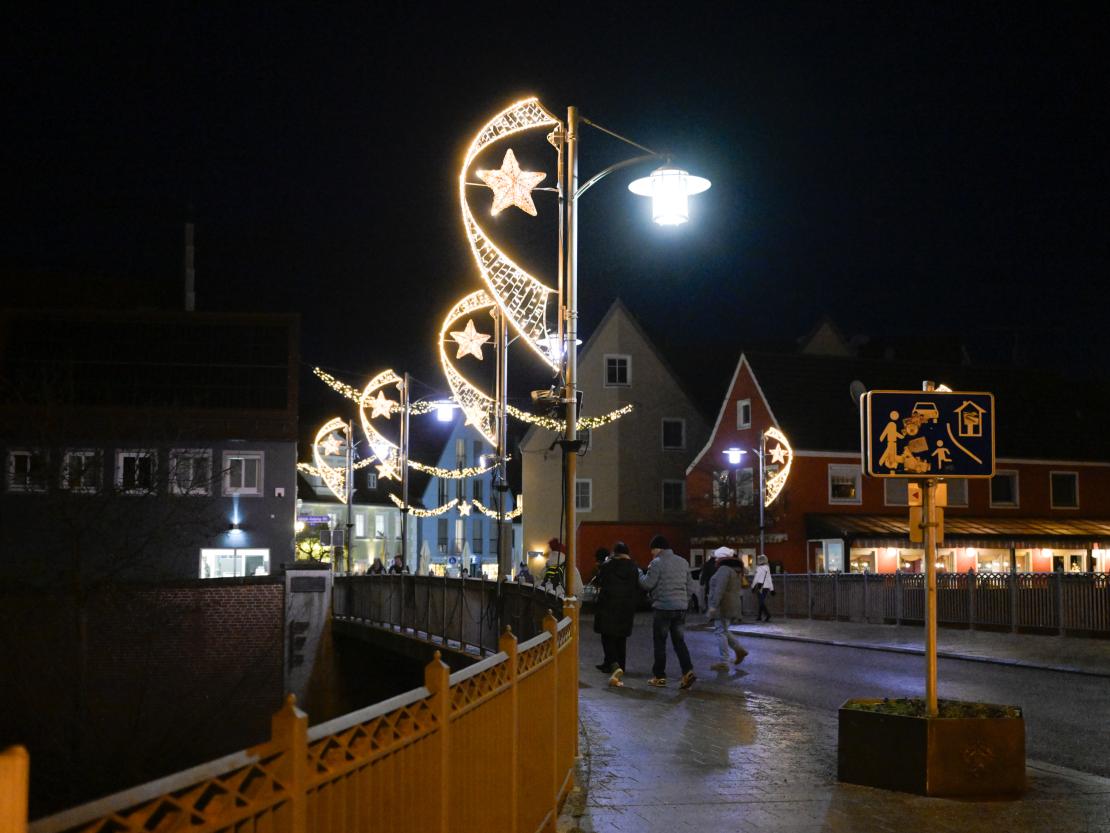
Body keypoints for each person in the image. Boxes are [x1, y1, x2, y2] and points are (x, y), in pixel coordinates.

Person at [639, 534, 697, 689]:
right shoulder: (683, 562)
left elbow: (648, 584)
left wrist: (639, 574)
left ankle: (659, 676)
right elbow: (690, 586)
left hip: (663, 608)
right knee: (679, 642)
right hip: (680, 609)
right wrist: (684, 600)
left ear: (658, 548)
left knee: (660, 643)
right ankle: (687, 671)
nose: (651, 553)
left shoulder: (656, 563)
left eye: (652, 550)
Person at [592, 541, 639, 687]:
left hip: (608, 606)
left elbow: (598, 581)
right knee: (621, 637)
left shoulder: (608, 566)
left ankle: (612, 665)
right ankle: (621, 665)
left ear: (615, 553)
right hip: (626, 608)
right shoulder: (633, 567)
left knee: (607, 637)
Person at [706, 547, 749, 669]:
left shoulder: (724, 570)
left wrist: (713, 606)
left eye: (716, 558)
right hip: (730, 604)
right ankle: (739, 650)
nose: (715, 560)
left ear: (721, 558)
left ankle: (724, 661)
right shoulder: (734, 570)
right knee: (723, 630)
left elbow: (719, 589)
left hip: (723, 606)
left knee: (720, 632)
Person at [752, 554, 774, 621]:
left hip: (760, 586)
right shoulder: (767, 568)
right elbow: (769, 578)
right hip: (766, 587)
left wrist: (752, 586)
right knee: (761, 601)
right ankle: (759, 616)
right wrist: (772, 589)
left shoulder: (759, 568)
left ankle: (767, 614)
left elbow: (756, 578)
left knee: (761, 601)